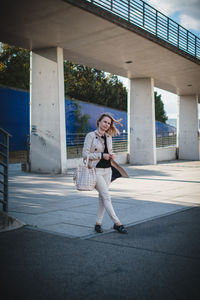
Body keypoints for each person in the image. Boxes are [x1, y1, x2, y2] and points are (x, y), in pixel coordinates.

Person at [82, 113, 128, 234]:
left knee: (102, 197)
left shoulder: (108, 137)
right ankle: (117, 223)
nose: (106, 124)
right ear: (99, 122)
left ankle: (98, 223)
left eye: (108, 123)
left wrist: (111, 155)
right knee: (106, 196)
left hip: (108, 170)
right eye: (104, 122)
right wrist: (101, 155)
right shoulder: (90, 136)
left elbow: (109, 152)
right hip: (95, 171)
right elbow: (85, 155)